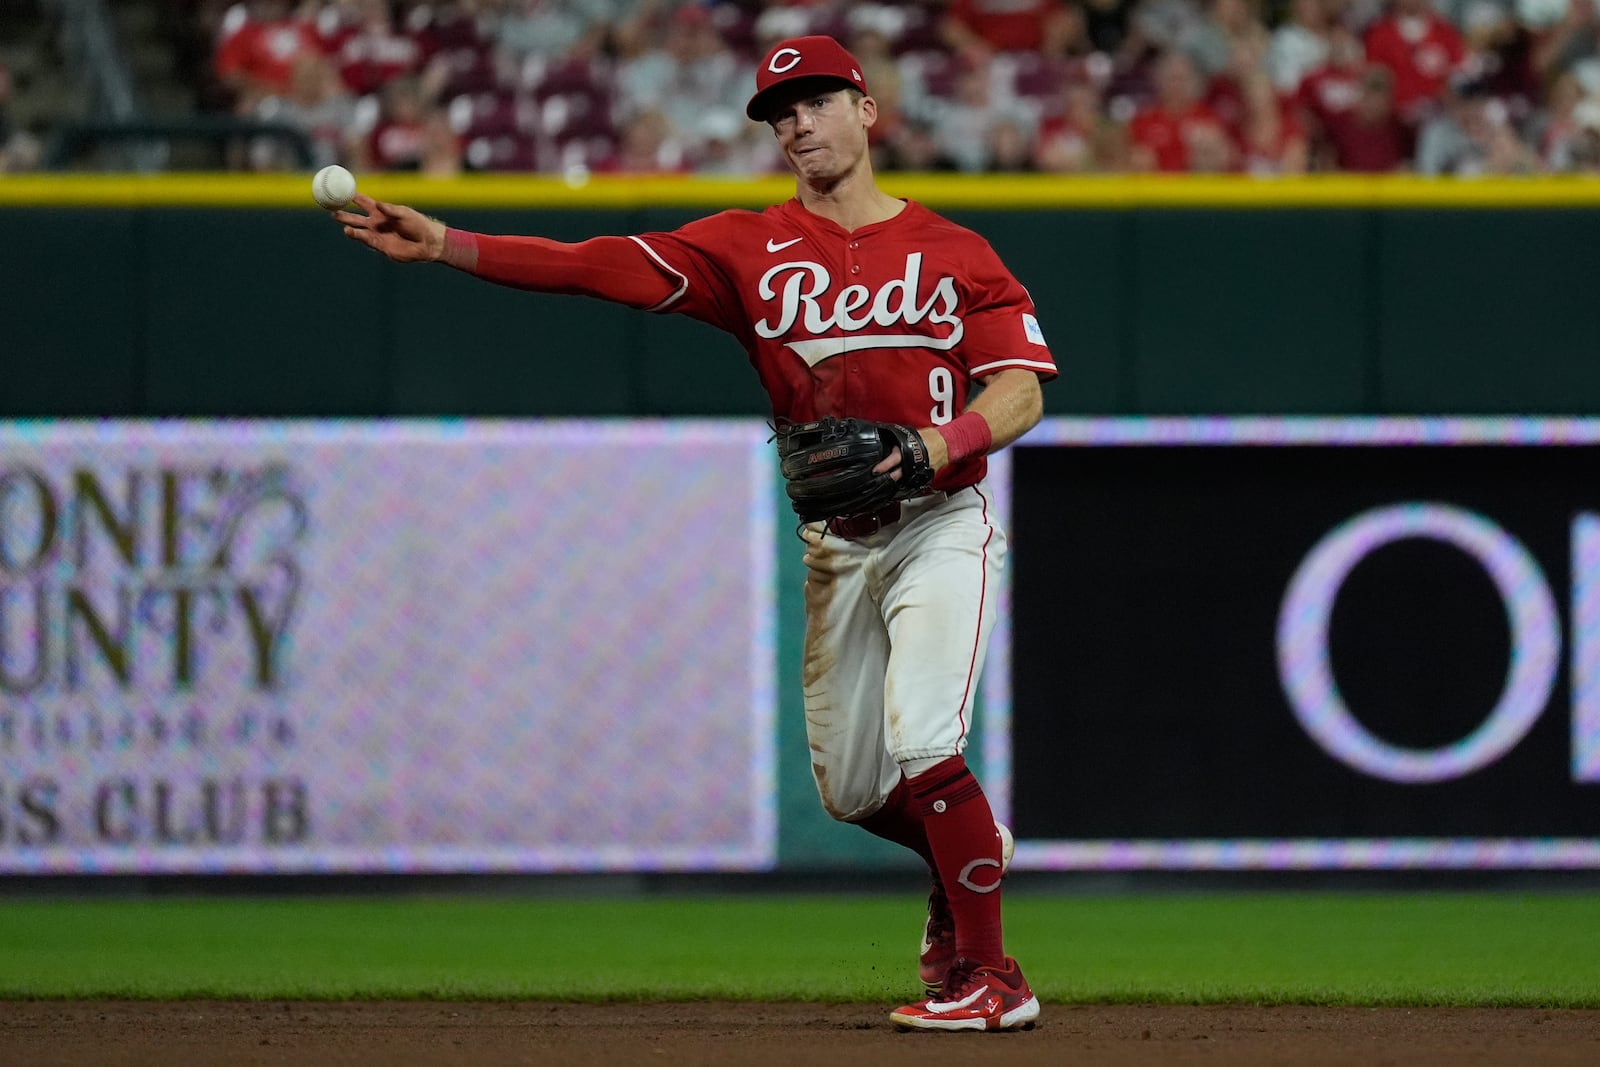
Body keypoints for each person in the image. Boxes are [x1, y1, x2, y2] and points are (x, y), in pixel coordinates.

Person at [332, 33, 1054, 1033]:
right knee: (852, 789)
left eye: (813, 101)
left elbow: (1017, 391)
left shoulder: (956, 251)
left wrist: (939, 444)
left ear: (866, 110)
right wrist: (448, 243)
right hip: (839, 544)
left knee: (926, 738)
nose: (796, 122)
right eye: (778, 112)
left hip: (941, 520)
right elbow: (590, 265)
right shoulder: (744, 248)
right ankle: (965, 849)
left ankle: (991, 977)